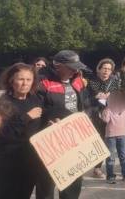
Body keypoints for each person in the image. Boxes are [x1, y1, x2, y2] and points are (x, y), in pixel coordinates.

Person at [36, 50, 96, 199]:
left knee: (73, 183)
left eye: (77, 67)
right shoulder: (42, 82)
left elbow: (86, 105)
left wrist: (87, 118)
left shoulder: (78, 80)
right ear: (58, 65)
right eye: (71, 67)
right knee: (46, 184)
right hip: (50, 141)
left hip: (74, 139)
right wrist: (48, 122)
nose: (75, 70)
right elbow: (37, 110)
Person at [0, 63, 44, 199]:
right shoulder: (3, 103)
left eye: (28, 79)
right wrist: (26, 117)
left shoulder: (35, 100)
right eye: (20, 79)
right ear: (11, 81)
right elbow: (2, 133)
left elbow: (39, 125)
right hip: (8, 162)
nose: (25, 83)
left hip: (30, 160)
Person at [88, 58, 122, 179]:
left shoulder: (114, 82)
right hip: (94, 115)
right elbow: (86, 99)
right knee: (93, 141)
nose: (106, 71)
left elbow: (119, 97)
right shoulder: (92, 82)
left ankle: (97, 168)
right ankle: (88, 166)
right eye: (104, 68)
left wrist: (110, 97)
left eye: (109, 69)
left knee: (105, 142)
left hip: (110, 115)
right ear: (99, 69)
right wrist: (97, 97)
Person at [100, 92, 125, 184]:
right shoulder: (109, 109)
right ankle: (110, 176)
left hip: (122, 135)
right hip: (110, 136)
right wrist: (105, 109)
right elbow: (105, 120)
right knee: (111, 157)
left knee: (123, 156)